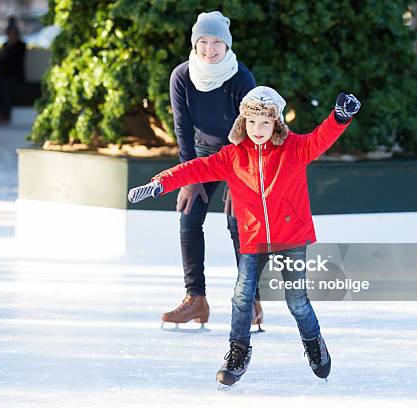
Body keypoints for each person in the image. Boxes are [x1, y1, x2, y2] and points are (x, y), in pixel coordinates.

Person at [128, 86, 361, 385]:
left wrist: (340, 117)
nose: (258, 129)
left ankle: (314, 343)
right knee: (241, 297)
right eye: (252, 122)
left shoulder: (294, 148)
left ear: (276, 122)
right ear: (243, 123)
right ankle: (238, 352)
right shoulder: (232, 155)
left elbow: (321, 137)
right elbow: (195, 169)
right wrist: (161, 183)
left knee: (296, 301)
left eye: (265, 122)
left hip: (290, 237)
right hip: (254, 238)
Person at [164, 11, 264, 330]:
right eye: (203, 42)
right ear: (195, 44)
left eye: (216, 42)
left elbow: (250, 131)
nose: (209, 49)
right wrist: (189, 176)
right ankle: (196, 300)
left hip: (239, 153)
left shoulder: (241, 78)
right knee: (189, 215)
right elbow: (182, 127)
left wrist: (240, 183)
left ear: (226, 44)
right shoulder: (181, 76)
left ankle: (251, 300)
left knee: (239, 223)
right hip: (205, 153)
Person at [0, 17, 26, 123]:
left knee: (6, 88)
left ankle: (6, 115)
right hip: (5, 75)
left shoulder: (21, 46)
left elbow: (16, 62)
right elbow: (2, 61)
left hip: (15, 75)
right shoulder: (5, 45)